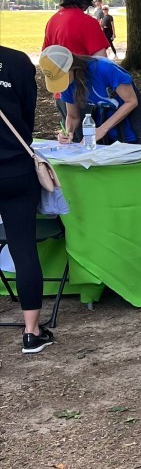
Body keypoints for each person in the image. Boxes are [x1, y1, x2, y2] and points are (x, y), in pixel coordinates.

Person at [0, 45, 52, 353]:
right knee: (23, 248)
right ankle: (31, 332)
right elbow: (27, 117)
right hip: (16, 168)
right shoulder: (17, 61)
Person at [42, 0, 108, 133]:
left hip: (60, 93)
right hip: (85, 94)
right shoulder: (88, 23)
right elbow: (102, 63)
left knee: (70, 141)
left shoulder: (53, 21)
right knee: (89, 148)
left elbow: (46, 58)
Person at [38, 46, 140, 145]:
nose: (62, 84)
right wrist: (68, 132)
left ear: (72, 66)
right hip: (109, 132)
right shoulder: (67, 85)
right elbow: (73, 117)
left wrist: (102, 129)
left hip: (135, 128)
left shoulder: (104, 68)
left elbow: (131, 101)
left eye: (62, 78)